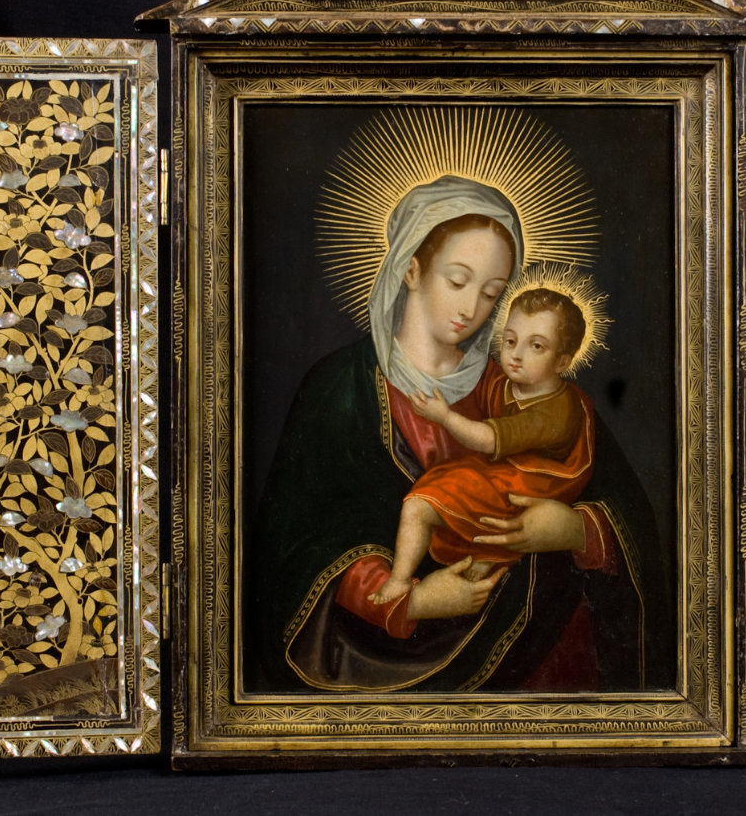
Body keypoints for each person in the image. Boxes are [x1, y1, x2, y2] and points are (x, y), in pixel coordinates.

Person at [247, 175, 670, 693]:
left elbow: (627, 509)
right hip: (387, 647)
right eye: (457, 280)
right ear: (411, 267)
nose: (472, 307)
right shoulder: (339, 388)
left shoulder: (525, 389)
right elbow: (294, 547)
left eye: (492, 292)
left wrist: (576, 531)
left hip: (540, 645)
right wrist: (413, 600)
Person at [369, 287, 596, 605]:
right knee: (444, 489)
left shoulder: (555, 410)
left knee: (419, 504)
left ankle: (398, 581)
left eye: (536, 346)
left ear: (562, 361)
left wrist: (444, 417)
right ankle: (489, 552)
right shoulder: (508, 383)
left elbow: (488, 439)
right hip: (506, 477)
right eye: (511, 341)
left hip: (529, 486)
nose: (516, 355)